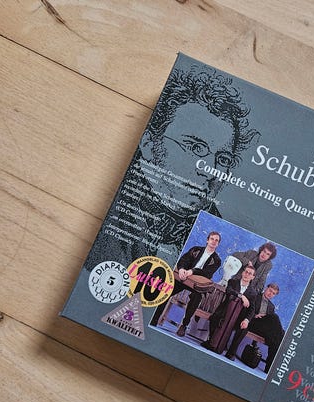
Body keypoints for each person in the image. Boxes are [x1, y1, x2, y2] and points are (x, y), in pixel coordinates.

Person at [85, 61, 260, 271]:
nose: (209, 170)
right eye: (196, 147)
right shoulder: (102, 209)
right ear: (149, 144)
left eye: (223, 160)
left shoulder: (221, 237)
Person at [149, 231, 222, 336]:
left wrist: (192, 271)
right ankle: (154, 318)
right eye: (212, 239)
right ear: (207, 240)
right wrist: (182, 269)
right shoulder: (196, 249)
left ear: (218, 244)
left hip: (197, 284)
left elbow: (207, 273)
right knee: (166, 290)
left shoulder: (217, 260)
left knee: (197, 297)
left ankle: (184, 325)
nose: (214, 241)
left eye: (216, 240)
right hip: (184, 278)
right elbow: (183, 260)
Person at [225, 283, 284, 373]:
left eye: (273, 293)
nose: (270, 294)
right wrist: (256, 315)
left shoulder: (271, 306)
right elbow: (247, 310)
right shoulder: (255, 296)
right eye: (270, 291)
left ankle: (268, 367)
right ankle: (270, 365)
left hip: (261, 327)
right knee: (275, 321)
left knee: (276, 338)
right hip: (251, 321)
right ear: (266, 288)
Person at [201, 265, 257, 350]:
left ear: (253, 277)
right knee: (215, 318)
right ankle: (211, 341)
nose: (247, 274)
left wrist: (246, 320)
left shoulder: (253, 293)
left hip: (239, 316)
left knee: (243, 329)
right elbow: (229, 290)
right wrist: (241, 296)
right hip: (225, 311)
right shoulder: (233, 282)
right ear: (242, 272)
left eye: (250, 274)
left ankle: (230, 351)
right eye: (246, 272)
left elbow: (252, 309)